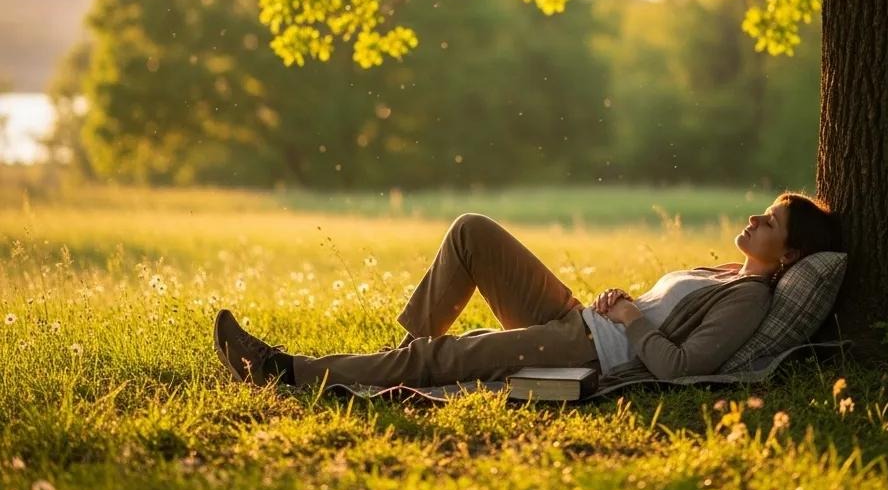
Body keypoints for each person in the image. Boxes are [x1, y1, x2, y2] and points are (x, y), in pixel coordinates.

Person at [213, 192, 842, 392]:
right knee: (472, 233)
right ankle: (403, 353)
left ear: (787, 254)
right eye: (761, 212)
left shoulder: (749, 300)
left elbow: (685, 367)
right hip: (577, 320)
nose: (755, 220)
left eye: (771, 223)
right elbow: (655, 312)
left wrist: (630, 321)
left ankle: (279, 371)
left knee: (449, 359)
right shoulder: (720, 274)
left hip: (590, 354)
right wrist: (626, 303)